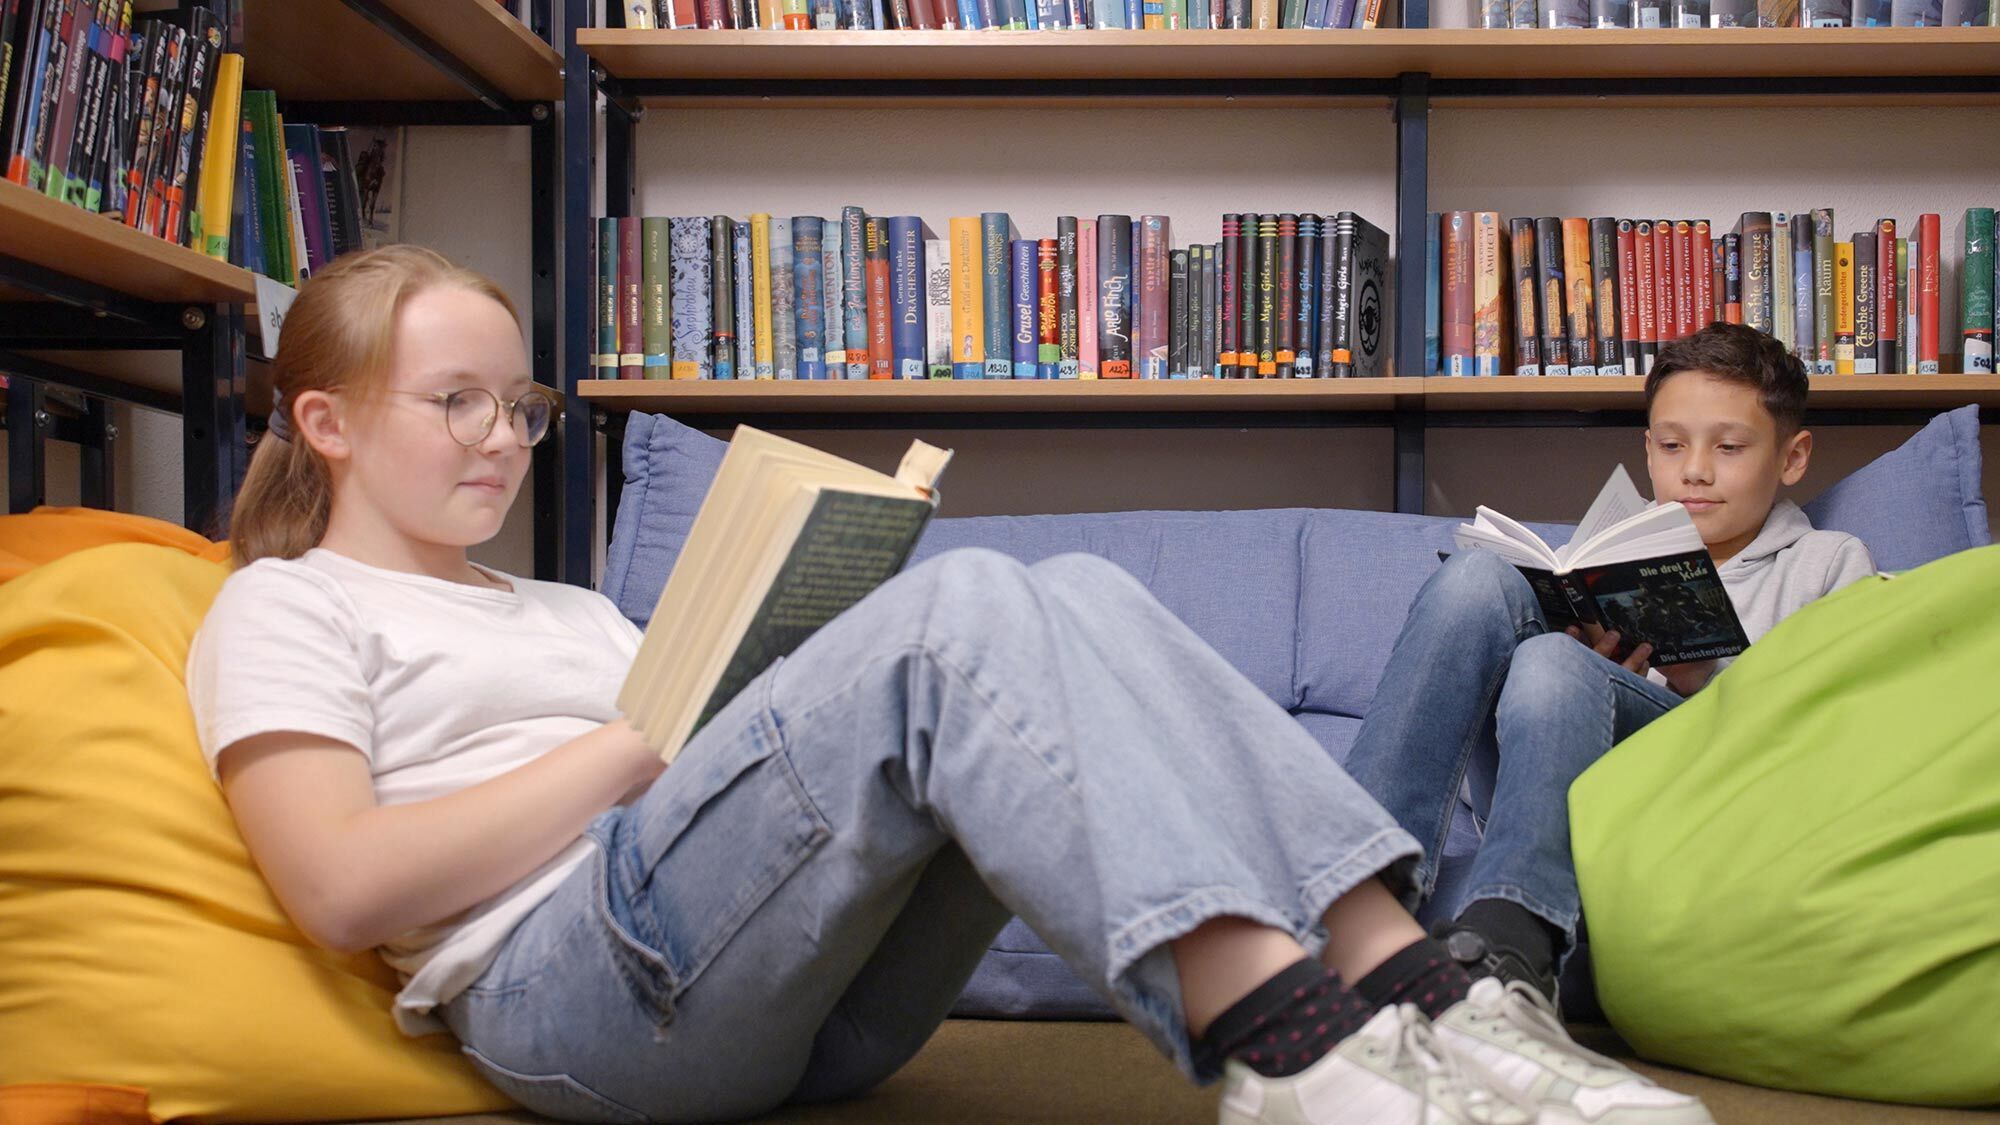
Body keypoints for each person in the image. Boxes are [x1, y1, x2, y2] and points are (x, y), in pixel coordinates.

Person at [187, 246, 1709, 1125]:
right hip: (571, 1009)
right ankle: (1295, 1054)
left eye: (515, 406)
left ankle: (1422, 993)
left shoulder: (568, 602)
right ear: (323, 420)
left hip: (799, 1011)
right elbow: (341, 888)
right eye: (455, 403)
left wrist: (729, 710)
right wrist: (636, 750)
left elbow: (702, 782)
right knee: (964, 608)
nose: (503, 440)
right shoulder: (284, 606)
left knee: (1083, 595)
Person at [1345, 322, 1877, 1003]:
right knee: (1481, 584)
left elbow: (1832, 737)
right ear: (1647, 447)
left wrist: (1704, 680)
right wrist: (1587, 673)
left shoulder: (1828, 562)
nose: (1695, 470)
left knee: (1552, 666)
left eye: (1730, 446)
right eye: (1672, 444)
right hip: (1560, 777)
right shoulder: (1606, 554)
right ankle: (1353, 897)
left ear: (1792, 456)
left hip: (1708, 796)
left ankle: (1510, 943)